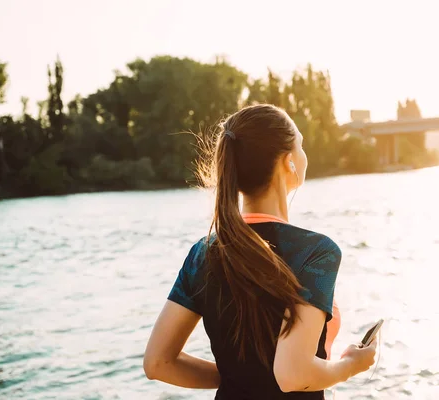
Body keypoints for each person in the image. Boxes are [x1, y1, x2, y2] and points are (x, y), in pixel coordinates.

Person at [143, 104, 377, 399]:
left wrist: (237, 378)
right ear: (289, 161)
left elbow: (158, 363)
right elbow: (294, 375)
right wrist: (350, 365)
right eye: (301, 146)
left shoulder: (203, 253)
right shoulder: (314, 252)